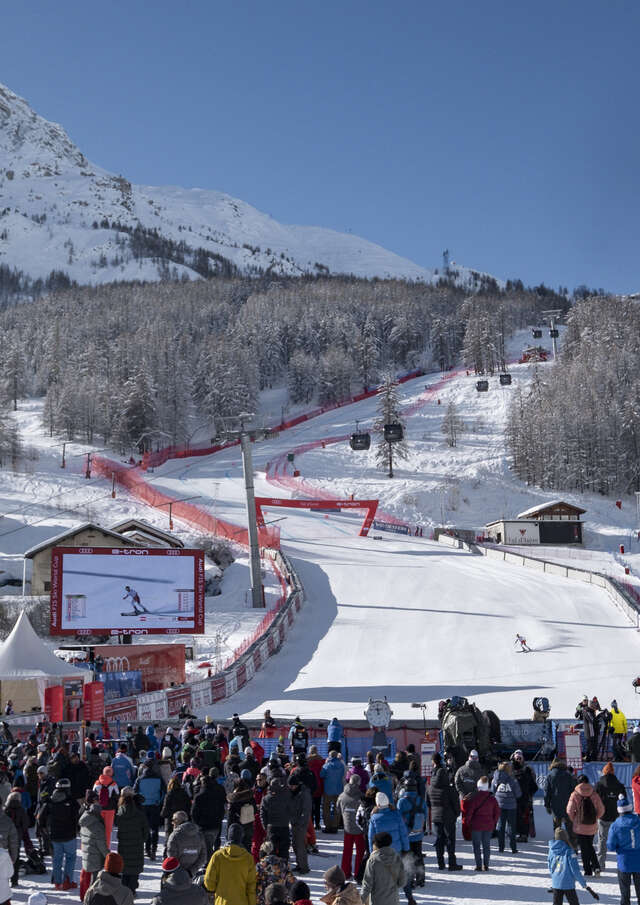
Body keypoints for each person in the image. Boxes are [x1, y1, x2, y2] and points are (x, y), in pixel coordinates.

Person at [204, 822, 257, 905]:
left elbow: (209, 882)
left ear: (228, 837)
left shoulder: (217, 856)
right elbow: (251, 887)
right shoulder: (248, 858)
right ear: (241, 838)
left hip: (222, 902)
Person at [41, 776, 79, 890]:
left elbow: (40, 816)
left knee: (57, 858)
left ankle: (57, 883)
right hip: (69, 835)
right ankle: (67, 881)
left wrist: (43, 828)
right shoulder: (72, 801)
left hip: (55, 836)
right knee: (70, 858)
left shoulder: (49, 801)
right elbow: (79, 815)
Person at [428, 752, 462, 871]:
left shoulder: (430, 787)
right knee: (450, 840)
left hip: (436, 817)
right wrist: (455, 815)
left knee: (439, 840)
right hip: (448, 817)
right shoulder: (449, 788)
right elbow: (456, 804)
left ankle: (440, 863)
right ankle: (452, 863)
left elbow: (428, 803)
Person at [566, 773, 604, 877]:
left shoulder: (575, 794)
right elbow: (601, 809)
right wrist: (595, 817)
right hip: (591, 825)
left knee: (584, 848)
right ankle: (596, 866)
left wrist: (575, 819)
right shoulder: (594, 794)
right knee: (590, 846)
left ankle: (588, 870)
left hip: (579, 827)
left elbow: (569, 811)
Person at [461, 776, 500, 871]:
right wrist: (493, 822)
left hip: (476, 826)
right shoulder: (492, 799)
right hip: (488, 826)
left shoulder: (474, 798)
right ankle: (486, 865)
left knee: (476, 846)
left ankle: (478, 865)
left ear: (478, 786)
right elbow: (497, 812)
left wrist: (467, 822)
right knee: (487, 846)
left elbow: (469, 812)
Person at [607, 793, 640, 905]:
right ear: (630, 808)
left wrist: (619, 847)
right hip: (639, 861)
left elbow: (610, 845)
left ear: (619, 810)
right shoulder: (638, 821)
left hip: (624, 862)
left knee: (625, 894)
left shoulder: (615, 825)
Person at [114, 786, 149, 894]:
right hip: (137, 843)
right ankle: (132, 890)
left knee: (125, 868)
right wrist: (142, 839)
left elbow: (116, 823)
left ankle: (124, 891)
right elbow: (145, 829)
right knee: (135, 867)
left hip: (124, 844)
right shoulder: (139, 811)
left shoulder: (120, 812)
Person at [396, 772, 426, 888]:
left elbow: (398, 818)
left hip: (406, 834)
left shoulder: (402, 801)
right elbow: (425, 814)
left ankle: (409, 881)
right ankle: (421, 879)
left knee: (407, 858)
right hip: (418, 833)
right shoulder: (420, 800)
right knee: (418, 856)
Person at [134, 750, 165, 860]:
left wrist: (138, 803)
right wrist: (159, 801)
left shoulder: (140, 779)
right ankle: (153, 849)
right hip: (155, 805)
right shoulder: (159, 778)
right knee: (155, 828)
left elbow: (135, 792)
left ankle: (147, 848)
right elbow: (163, 792)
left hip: (143, 805)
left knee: (145, 827)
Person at [594, 762, 626, 871]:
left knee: (602, 840)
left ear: (604, 771)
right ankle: (622, 865)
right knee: (619, 841)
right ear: (613, 772)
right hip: (616, 817)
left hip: (602, 816)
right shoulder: (620, 785)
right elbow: (624, 801)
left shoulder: (599, 785)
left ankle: (600, 864)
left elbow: (593, 800)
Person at [360, 832, 406, 905]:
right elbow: (402, 882)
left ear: (376, 845)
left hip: (377, 901)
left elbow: (367, 885)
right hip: (394, 901)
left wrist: (360, 900)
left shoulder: (373, 860)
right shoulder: (397, 858)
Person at [79, 792, 108, 900]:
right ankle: (91, 900)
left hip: (87, 853)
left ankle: (85, 898)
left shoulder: (85, 818)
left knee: (86, 878)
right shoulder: (97, 825)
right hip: (96, 856)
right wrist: (108, 856)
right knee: (95, 884)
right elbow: (101, 845)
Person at [548, 826, 589, 905]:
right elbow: (575, 870)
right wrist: (583, 883)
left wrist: (554, 877)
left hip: (556, 883)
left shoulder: (551, 850)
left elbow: (550, 865)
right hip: (568, 884)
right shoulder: (570, 851)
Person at [192, 773, 226, 860]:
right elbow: (222, 809)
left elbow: (194, 813)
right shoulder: (217, 795)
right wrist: (219, 820)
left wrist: (197, 823)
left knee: (206, 848)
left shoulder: (198, 797)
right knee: (209, 845)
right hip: (215, 825)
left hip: (203, 826)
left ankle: (209, 865)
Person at [338, 775, 365, 881]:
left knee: (347, 850)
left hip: (347, 827)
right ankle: (358, 873)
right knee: (360, 852)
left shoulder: (342, 796)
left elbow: (338, 809)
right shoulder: (361, 797)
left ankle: (345, 872)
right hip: (359, 829)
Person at [491, 761, 521, 853]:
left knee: (500, 826)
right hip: (511, 806)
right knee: (511, 827)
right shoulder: (512, 780)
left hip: (499, 805)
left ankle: (501, 847)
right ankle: (513, 848)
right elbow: (518, 794)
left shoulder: (495, 779)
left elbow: (492, 790)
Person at [367, 794, 409, 859]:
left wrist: (372, 853)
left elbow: (371, 838)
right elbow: (403, 833)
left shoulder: (374, 819)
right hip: (396, 850)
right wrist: (406, 849)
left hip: (381, 853)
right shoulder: (396, 815)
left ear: (378, 804)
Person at [166, 810, 206, 876]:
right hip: (193, 874)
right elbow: (203, 856)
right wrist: (191, 871)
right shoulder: (198, 834)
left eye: (173, 820)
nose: (172, 823)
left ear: (177, 821)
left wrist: (180, 872)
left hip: (177, 875)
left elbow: (171, 857)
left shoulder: (175, 835)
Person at [510, 749, 538, 843]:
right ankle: (516, 831)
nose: (518, 759)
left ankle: (526, 832)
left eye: (520, 757)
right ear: (514, 757)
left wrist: (529, 793)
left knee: (526, 815)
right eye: (517, 757)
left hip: (526, 797)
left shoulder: (528, 768)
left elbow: (533, 783)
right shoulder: (510, 768)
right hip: (514, 797)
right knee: (515, 815)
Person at [260, 779, 291, 860]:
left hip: (271, 827)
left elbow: (262, 814)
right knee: (284, 850)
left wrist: (265, 826)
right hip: (284, 826)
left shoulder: (266, 798)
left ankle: (272, 868)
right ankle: (284, 867)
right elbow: (290, 810)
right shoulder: (286, 797)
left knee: (271, 850)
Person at [546, 758, 578, 837]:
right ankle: (573, 846)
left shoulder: (550, 775)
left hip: (555, 805)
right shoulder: (568, 775)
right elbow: (574, 790)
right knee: (570, 827)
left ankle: (558, 846)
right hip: (568, 805)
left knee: (557, 828)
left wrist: (547, 805)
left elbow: (547, 792)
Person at [288, 774, 311, 874]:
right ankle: (299, 864)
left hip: (301, 823)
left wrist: (301, 823)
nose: (291, 788)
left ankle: (304, 867)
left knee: (301, 845)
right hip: (293, 821)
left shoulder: (304, 793)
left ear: (297, 785)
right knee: (295, 844)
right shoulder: (292, 792)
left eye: (292, 786)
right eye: (290, 786)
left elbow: (306, 810)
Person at [228, 774, 256, 853]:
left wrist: (229, 831)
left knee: (237, 849)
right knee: (247, 847)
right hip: (249, 825)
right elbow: (255, 810)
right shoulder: (250, 797)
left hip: (237, 827)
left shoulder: (234, 799)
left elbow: (230, 816)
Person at [93, 764, 119, 846]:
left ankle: (98, 846)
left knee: (98, 828)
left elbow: (93, 795)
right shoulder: (113, 784)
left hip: (99, 808)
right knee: (108, 829)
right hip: (110, 809)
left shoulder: (97, 783)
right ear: (111, 774)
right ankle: (106, 847)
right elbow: (117, 795)